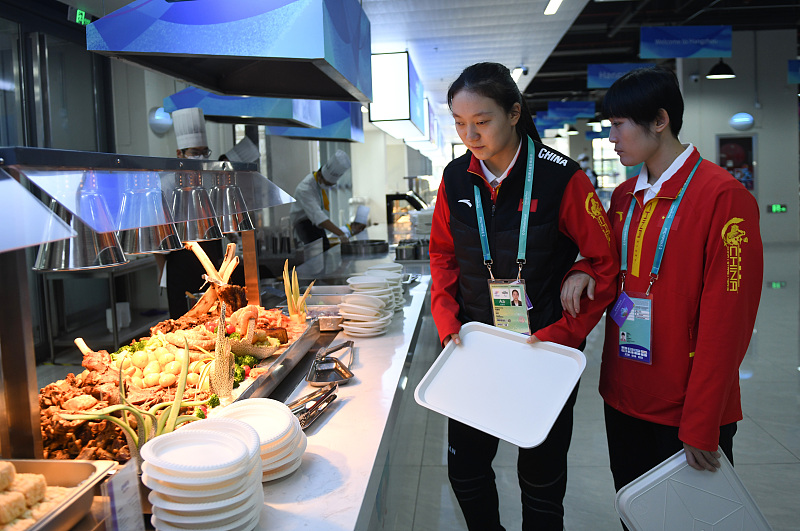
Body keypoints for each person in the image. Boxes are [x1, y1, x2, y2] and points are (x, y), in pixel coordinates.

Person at [560, 67, 763, 513]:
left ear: (659, 120)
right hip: (624, 395)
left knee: (694, 522)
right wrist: (581, 267)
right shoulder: (623, 197)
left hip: (684, 408)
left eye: (618, 125)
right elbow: (604, 261)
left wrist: (702, 419)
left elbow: (728, 321)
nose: (611, 136)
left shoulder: (722, 198)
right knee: (637, 515)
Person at [429, 62, 619, 531]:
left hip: (546, 352)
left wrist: (562, 335)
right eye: (459, 122)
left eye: (482, 120)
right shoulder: (455, 180)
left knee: (541, 479)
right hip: (475, 348)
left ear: (514, 113)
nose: (470, 133)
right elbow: (443, 257)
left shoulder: (561, 177)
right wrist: (448, 322)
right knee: (466, 470)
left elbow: (605, 263)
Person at [159, 107, 226, 319]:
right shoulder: (167, 184)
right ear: (179, 154)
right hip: (181, 264)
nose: (200, 158)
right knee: (183, 323)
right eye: (194, 153)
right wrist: (163, 273)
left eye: (204, 152)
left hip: (213, 260)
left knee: (217, 320)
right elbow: (160, 236)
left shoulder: (209, 179)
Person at [289, 149, 365, 251]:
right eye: (327, 184)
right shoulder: (305, 189)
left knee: (325, 251)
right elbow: (318, 216)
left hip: (314, 225)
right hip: (303, 227)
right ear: (320, 175)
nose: (327, 187)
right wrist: (341, 234)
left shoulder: (317, 184)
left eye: (330, 185)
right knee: (315, 256)